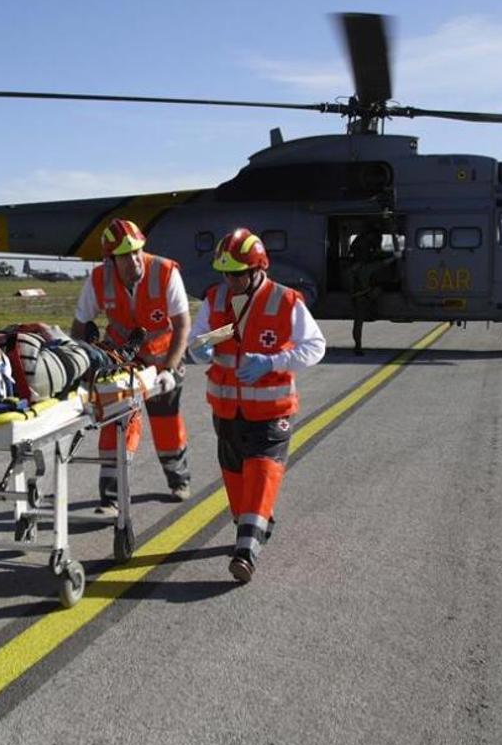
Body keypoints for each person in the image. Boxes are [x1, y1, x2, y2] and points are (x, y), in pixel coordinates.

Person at [186, 227, 325, 583]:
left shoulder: (285, 300)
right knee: (236, 481)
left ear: (257, 268)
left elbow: (315, 346)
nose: (230, 281)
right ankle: (254, 524)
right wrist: (203, 346)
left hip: (271, 411)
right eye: (225, 274)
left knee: (262, 472)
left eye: (237, 274)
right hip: (226, 411)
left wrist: (272, 361)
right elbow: (202, 341)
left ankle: (245, 551)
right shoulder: (216, 298)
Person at [71, 218, 193, 511]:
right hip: (122, 362)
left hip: (164, 360)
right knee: (117, 423)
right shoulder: (98, 279)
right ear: (110, 260)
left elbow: (182, 325)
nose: (134, 260)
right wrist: (81, 367)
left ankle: (178, 479)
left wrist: (169, 370)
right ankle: (110, 498)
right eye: (125, 255)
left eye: (137, 251)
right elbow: (79, 326)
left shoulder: (165, 271)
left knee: (166, 424)